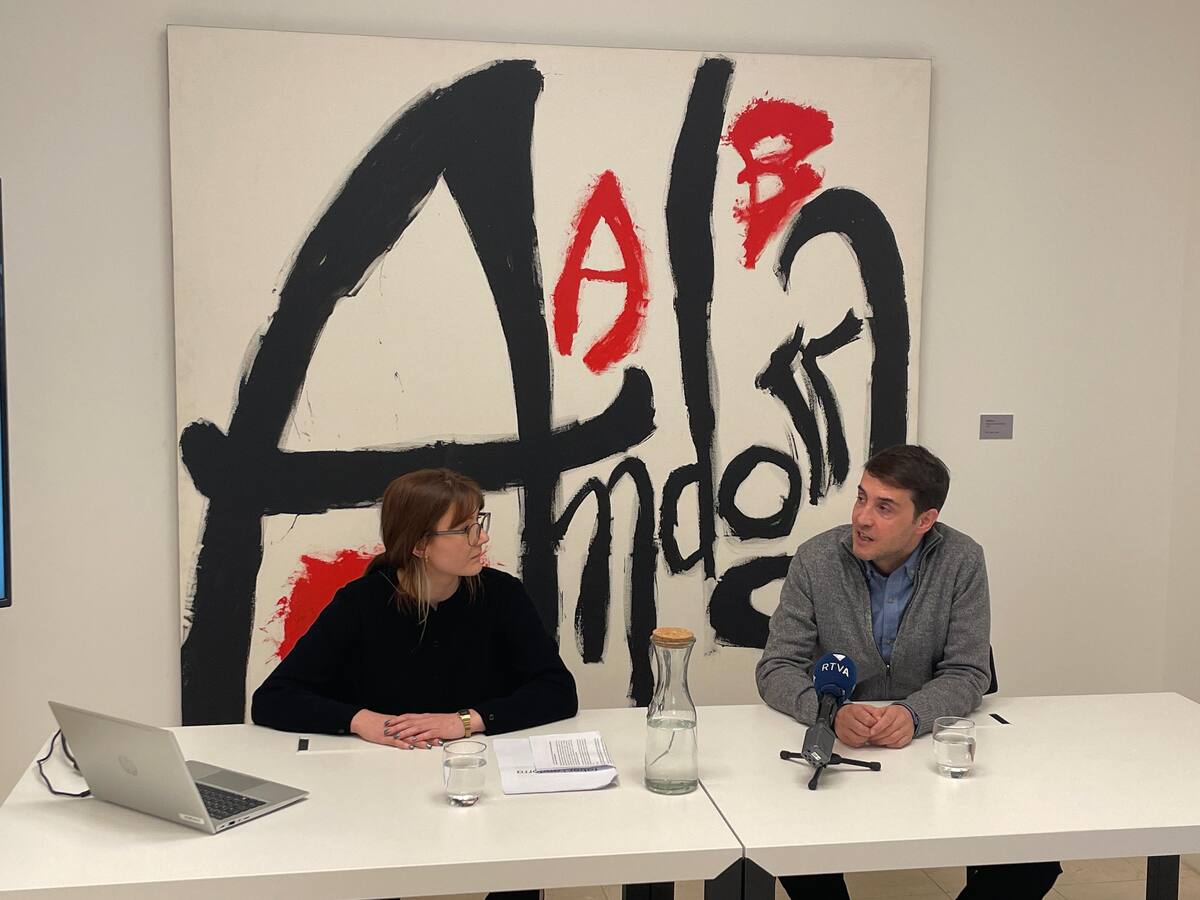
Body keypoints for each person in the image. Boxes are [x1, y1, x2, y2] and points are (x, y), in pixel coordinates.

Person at [756, 444, 1060, 900]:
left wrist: (913, 714)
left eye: (884, 507)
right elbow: (777, 666)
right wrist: (830, 713)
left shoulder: (962, 560)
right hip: (843, 745)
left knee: (1035, 861)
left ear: (925, 520)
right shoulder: (816, 559)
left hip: (926, 748)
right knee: (789, 842)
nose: (862, 518)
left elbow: (968, 670)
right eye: (861, 498)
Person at [252, 467, 578, 748]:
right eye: (465, 529)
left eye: (479, 522)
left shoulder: (503, 593)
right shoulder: (360, 602)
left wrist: (466, 721)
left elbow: (558, 690)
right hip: (380, 772)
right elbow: (273, 698)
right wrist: (360, 721)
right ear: (420, 545)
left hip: (477, 762)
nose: (481, 538)